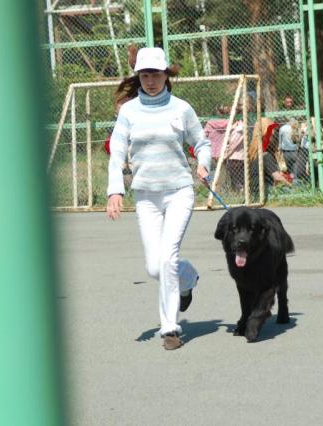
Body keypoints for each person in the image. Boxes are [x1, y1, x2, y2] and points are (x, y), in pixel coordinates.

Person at [106, 47, 211, 351]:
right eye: (145, 74)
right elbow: (117, 153)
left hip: (179, 191)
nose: (150, 80)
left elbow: (201, 142)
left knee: (167, 258)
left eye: (156, 74)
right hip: (146, 196)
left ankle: (170, 328)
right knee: (155, 266)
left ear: (167, 74)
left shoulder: (181, 108)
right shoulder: (129, 112)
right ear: (138, 77)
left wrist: (204, 162)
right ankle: (188, 278)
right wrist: (115, 190)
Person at [247, 117, 292, 202]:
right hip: (266, 192)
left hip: (254, 191)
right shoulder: (265, 156)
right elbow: (277, 178)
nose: (274, 134)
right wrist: (291, 185)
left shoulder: (253, 153)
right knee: (297, 185)